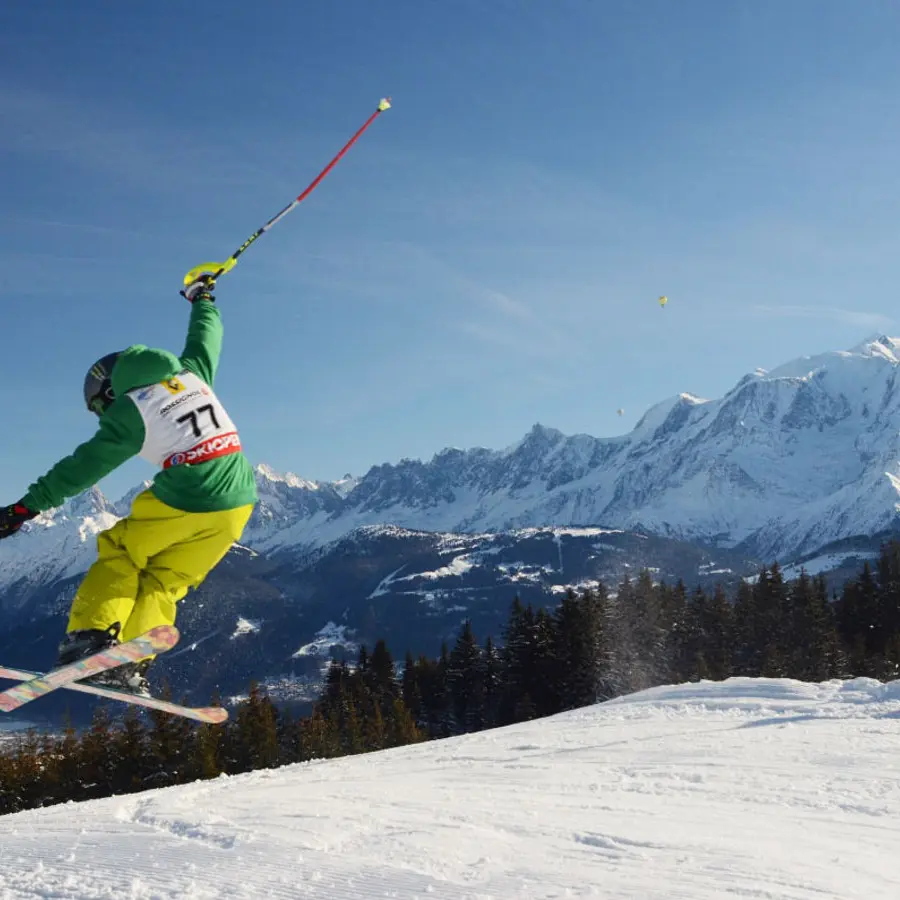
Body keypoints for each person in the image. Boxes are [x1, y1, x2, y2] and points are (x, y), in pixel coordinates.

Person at [0, 275, 258, 695]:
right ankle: (130, 663)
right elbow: (205, 338)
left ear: (110, 390)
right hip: (238, 503)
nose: (102, 416)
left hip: (189, 492)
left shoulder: (131, 410)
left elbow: (82, 467)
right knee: (165, 580)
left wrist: (25, 507)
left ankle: (89, 642)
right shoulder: (191, 374)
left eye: (99, 407)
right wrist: (204, 299)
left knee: (120, 550)